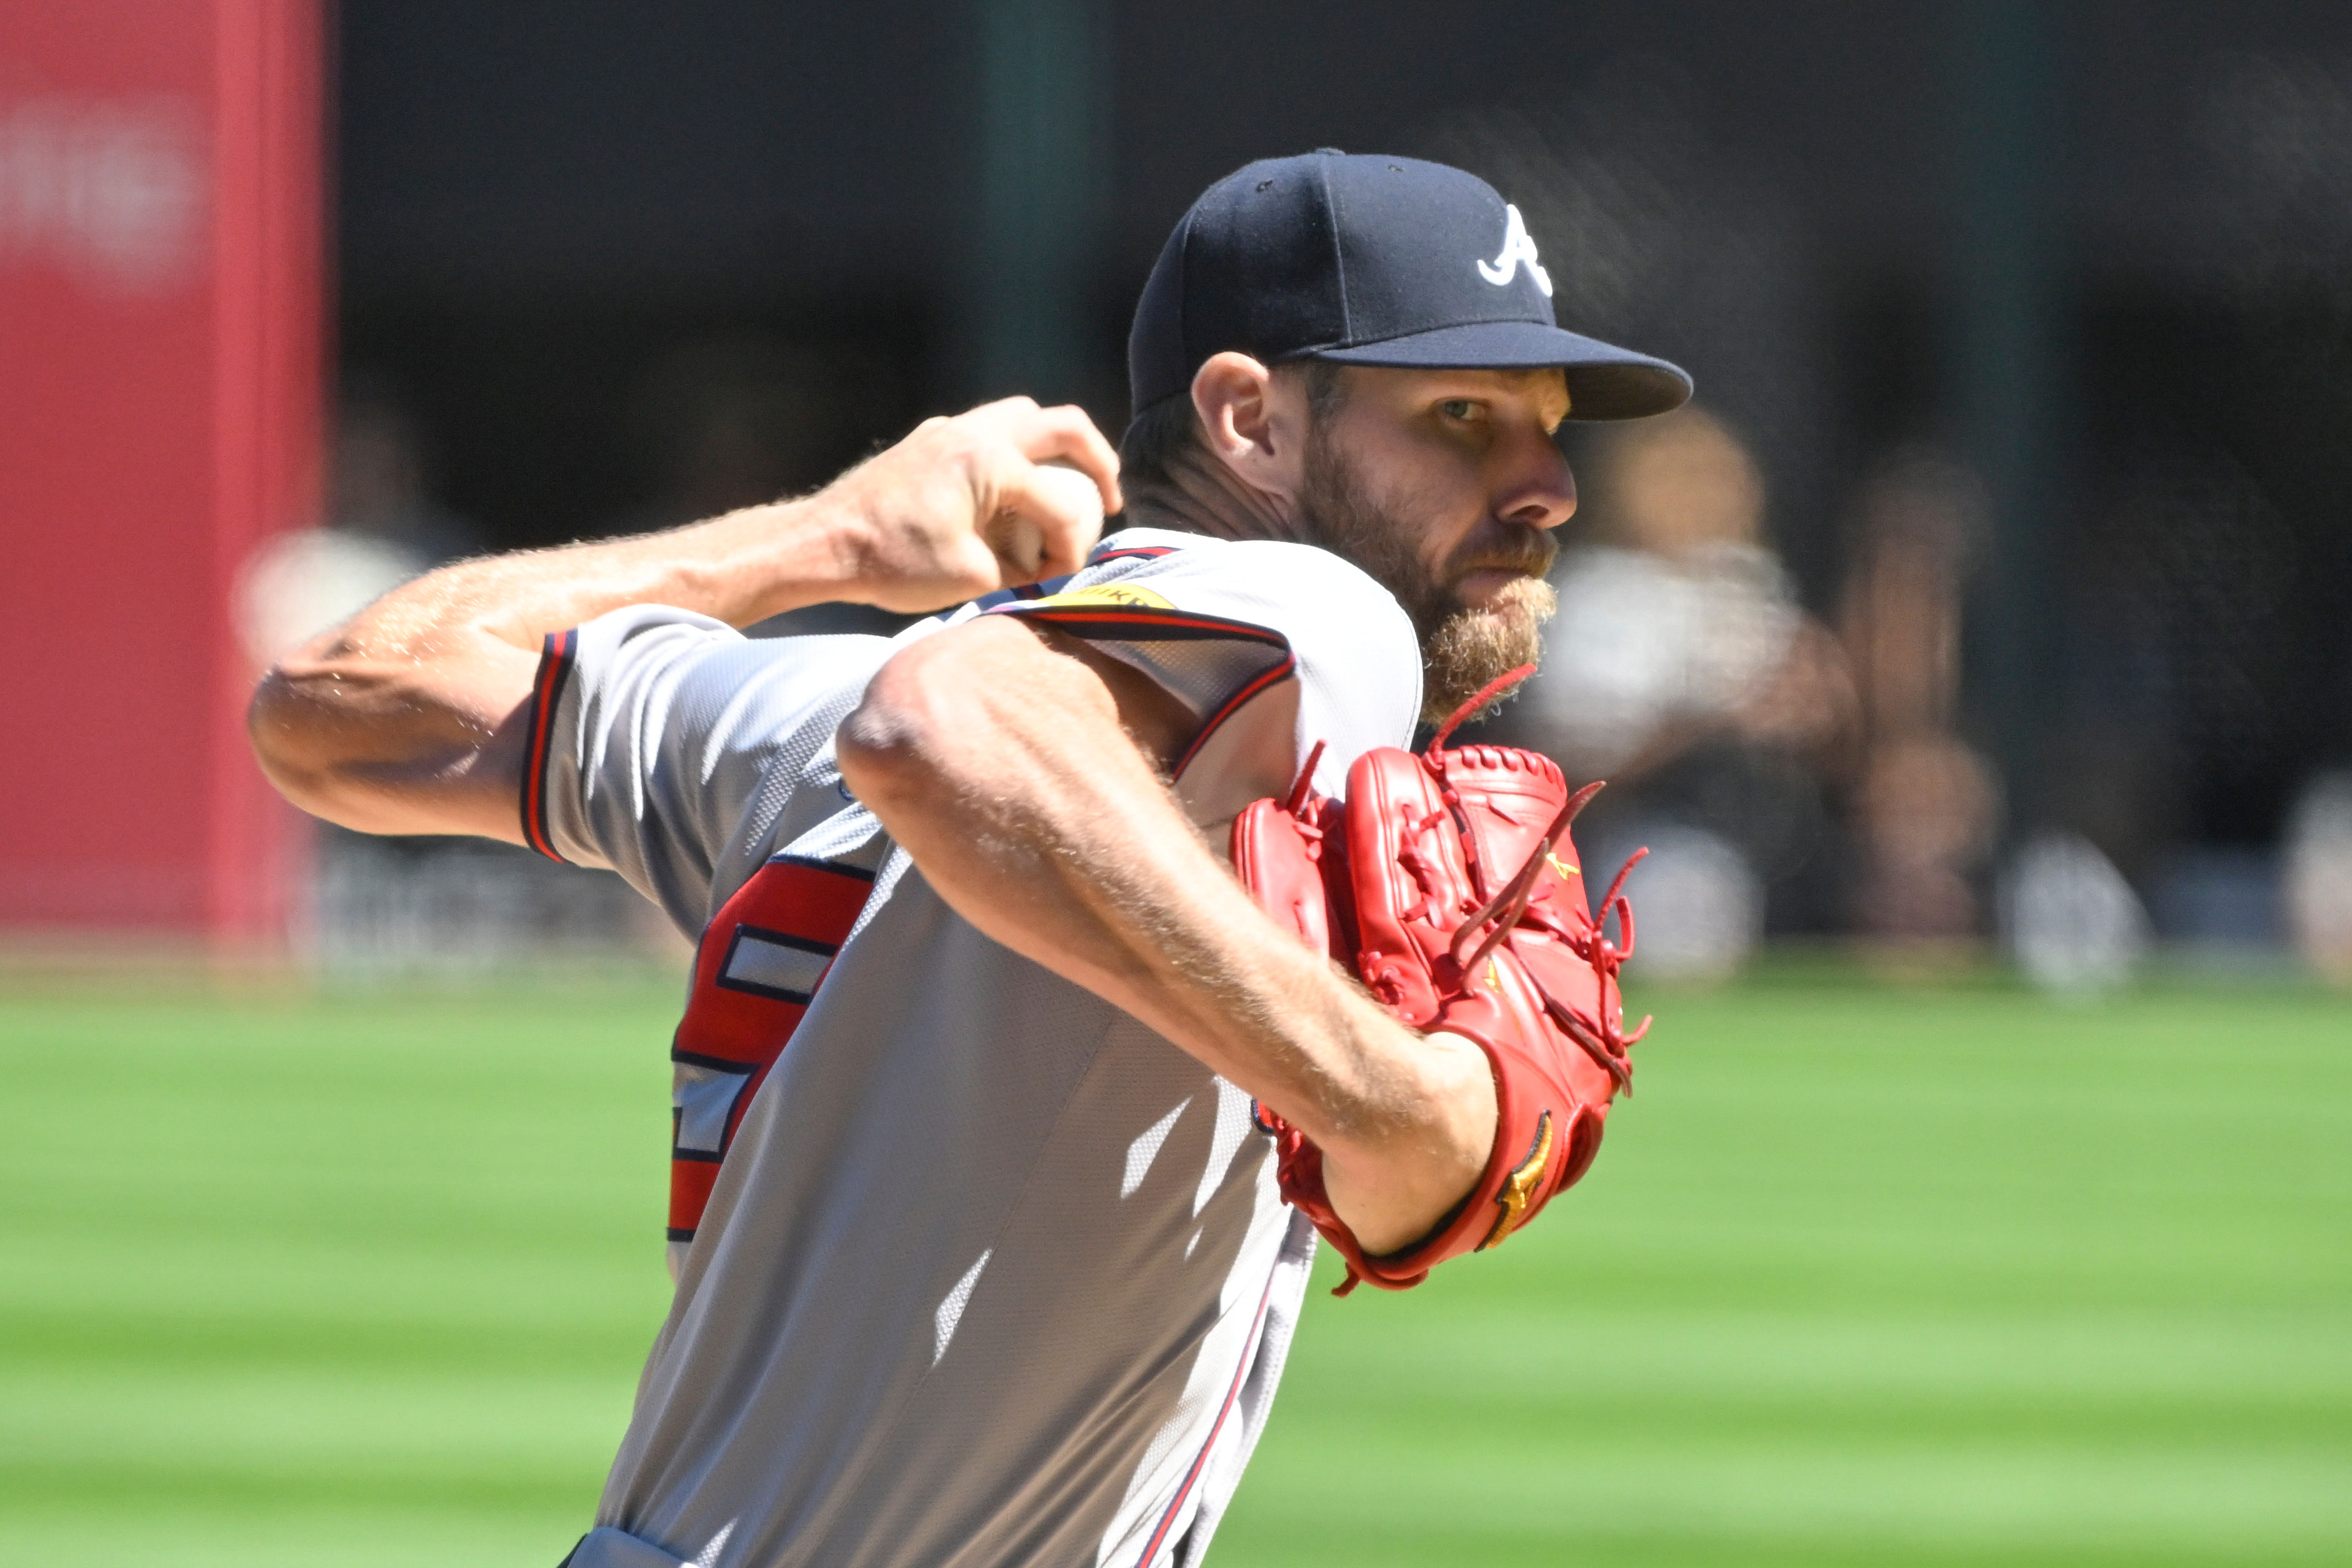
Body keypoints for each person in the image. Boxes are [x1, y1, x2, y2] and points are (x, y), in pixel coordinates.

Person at [250, 150, 1688, 1568]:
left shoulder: (796, 712)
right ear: (1249, 422)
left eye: (1546, 423)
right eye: (1461, 414)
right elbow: (942, 729)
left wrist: (817, 541)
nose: (1546, 481)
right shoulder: (1316, 611)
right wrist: (1394, 1102)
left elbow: (336, 706)